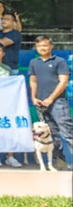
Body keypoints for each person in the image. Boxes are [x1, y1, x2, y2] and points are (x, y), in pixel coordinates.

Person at [29, 35, 72, 171]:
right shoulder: (34, 62)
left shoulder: (60, 61)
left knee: (68, 132)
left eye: (45, 45)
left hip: (58, 102)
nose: (42, 48)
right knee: (52, 134)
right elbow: (33, 81)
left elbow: (63, 82)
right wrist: (34, 98)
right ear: (36, 47)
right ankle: (59, 161)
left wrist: (51, 98)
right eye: (39, 46)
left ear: (51, 46)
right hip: (41, 103)